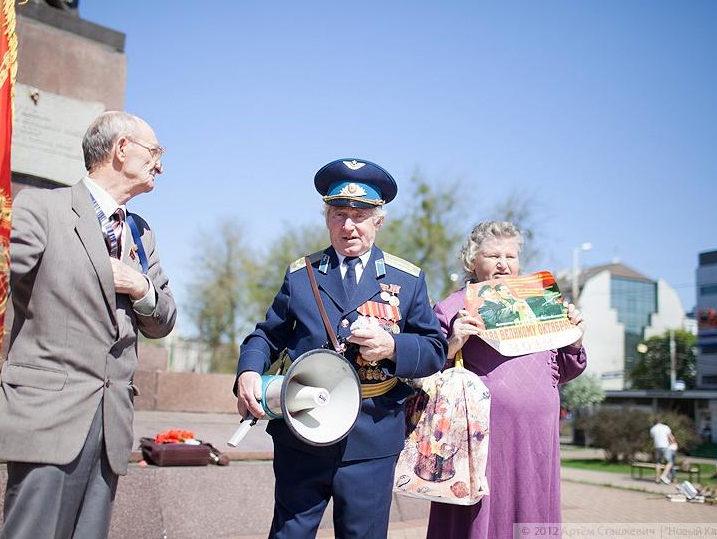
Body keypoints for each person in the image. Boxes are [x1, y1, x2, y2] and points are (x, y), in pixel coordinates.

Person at [0, 111, 177, 539]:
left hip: (110, 430)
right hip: (48, 421)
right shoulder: (42, 208)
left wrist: (141, 286)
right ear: (122, 150)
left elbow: (164, 321)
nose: (160, 164)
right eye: (154, 152)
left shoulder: (142, 233)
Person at [235, 158, 446, 539]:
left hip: (371, 433)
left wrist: (393, 346)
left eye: (360, 215)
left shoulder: (408, 278)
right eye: (338, 214)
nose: (348, 225)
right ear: (326, 218)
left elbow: (434, 348)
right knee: (289, 533)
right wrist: (248, 372)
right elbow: (266, 336)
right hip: (304, 429)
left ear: (378, 220)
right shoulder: (302, 274)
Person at [425, 221, 586, 539]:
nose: (503, 264)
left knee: (533, 511)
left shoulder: (539, 302)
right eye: (493, 255)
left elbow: (562, 371)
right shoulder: (452, 307)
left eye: (511, 256)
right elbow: (426, 372)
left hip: (537, 439)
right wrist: (451, 344)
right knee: (482, 515)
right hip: (482, 441)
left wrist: (575, 341)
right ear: (472, 259)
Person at [649, 419, 675, 484]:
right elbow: (671, 437)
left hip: (657, 447)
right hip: (665, 446)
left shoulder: (652, 429)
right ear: (660, 422)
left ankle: (657, 479)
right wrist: (673, 443)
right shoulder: (665, 427)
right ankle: (664, 475)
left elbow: (653, 437)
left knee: (658, 463)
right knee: (670, 462)